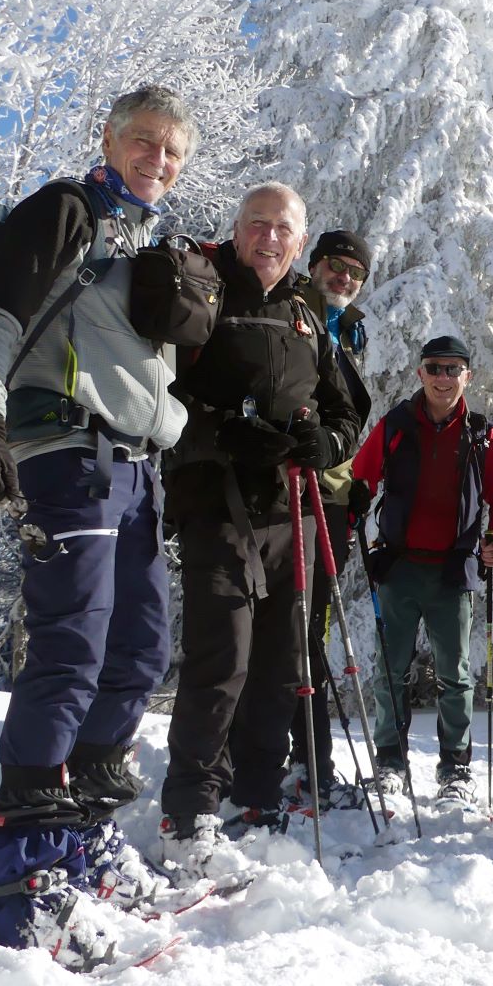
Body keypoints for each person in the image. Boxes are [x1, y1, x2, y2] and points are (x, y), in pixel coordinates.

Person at [0, 86, 198, 957]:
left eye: (172, 150)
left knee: (137, 652)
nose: (156, 160)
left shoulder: (141, 239)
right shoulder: (67, 209)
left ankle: (83, 840)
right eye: (142, 141)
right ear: (108, 137)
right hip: (67, 451)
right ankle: (15, 873)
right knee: (71, 646)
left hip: (136, 467)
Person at [158, 182, 361, 874]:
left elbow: (345, 412)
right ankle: (189, 810)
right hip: (214, 498)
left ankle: (259, 794)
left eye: (283, 228)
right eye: (257, 224)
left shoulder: (307, 314)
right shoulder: (205, 290)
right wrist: (229, 430)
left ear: (300, 243)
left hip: (292, 512)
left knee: (280, 666)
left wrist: (324, 446)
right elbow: (163, 391)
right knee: (222, 657)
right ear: (236, 229)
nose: (269, 237)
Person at [349, 335, 493, 804]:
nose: (443, 377)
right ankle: (390, 764)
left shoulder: (482, 433)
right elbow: (362, 476)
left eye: (453, 369)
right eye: (434, 368)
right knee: (390, 670)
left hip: (453, 570)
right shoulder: (397, 425)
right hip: (399, 565)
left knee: (456, 676)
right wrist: (351, 514)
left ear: (467, 376)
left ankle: (455, 769)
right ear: (419, 373)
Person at [274, 229, 374, 812]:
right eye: (335, 267)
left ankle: (310, 758)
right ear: (313, 265)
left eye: (354, 274)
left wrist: (356, 485)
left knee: (311, 630)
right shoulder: (292, 311)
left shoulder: (348, 327)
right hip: (290, 490)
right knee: (289, 628)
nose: (344, 278)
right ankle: (302, 758)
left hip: (331, 495)